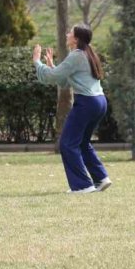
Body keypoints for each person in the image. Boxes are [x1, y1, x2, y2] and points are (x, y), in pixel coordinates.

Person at [33, 23, 111, 194]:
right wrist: (52, 65)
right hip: (99, 102)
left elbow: (52, 77)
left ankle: (83, 186)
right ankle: (101, 178)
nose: (67, 34)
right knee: (82, 143)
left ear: (76, 39)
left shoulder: (76, 56)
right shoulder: (88, 54)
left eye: (70, 32)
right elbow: (65, 80)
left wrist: (37, 62)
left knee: (67, 144)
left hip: (87, 103)